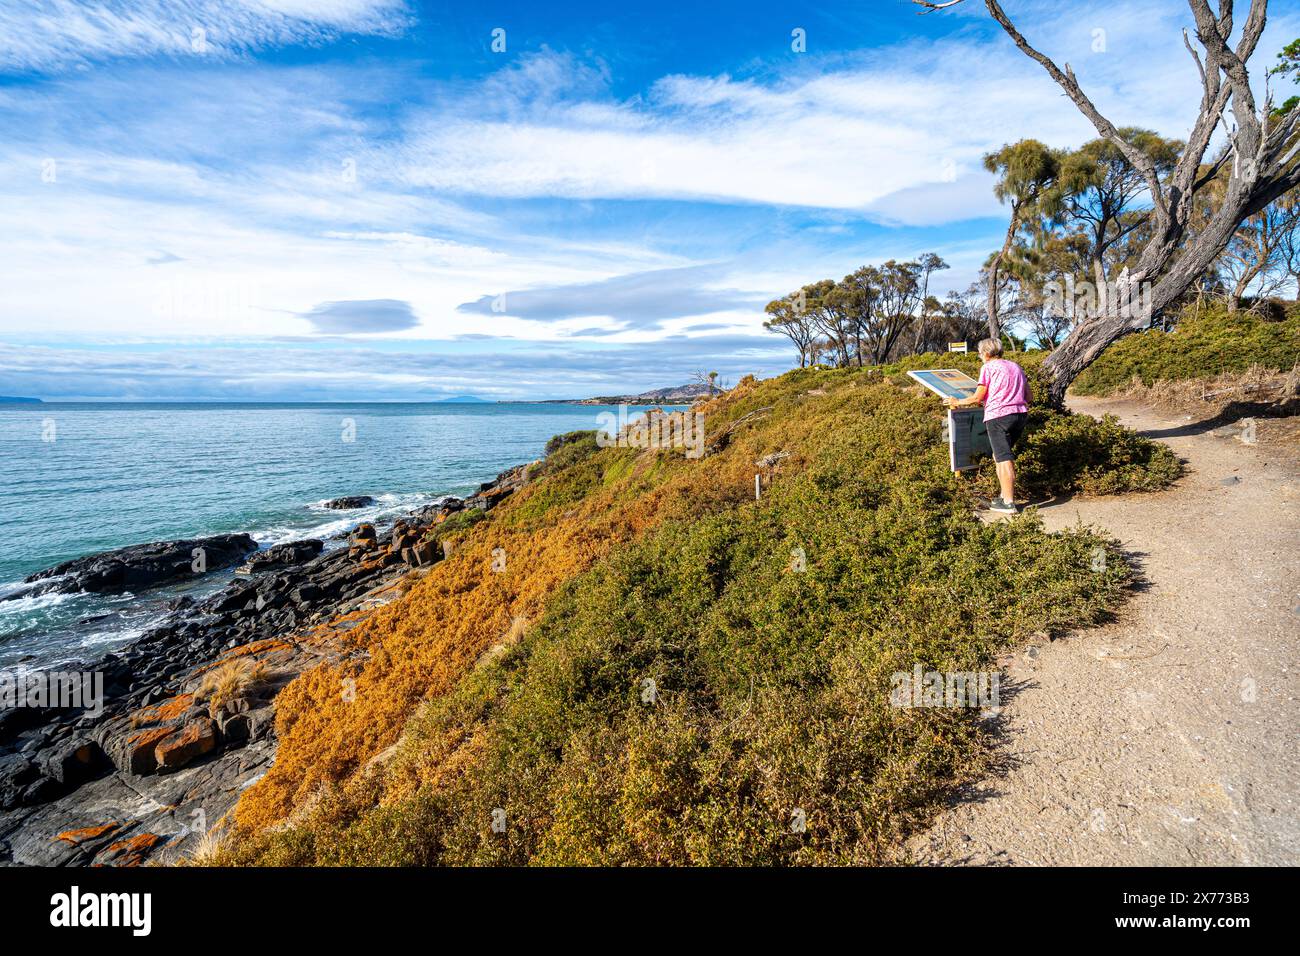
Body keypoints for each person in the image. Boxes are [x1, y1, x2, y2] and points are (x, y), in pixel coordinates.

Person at [946, 338, 1029, 514]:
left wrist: (957, 401)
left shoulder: (988, 368)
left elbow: (978, 397)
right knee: (999, 455)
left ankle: (1008, 503)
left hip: (998, 416)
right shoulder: (1016, 367)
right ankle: (1003, 495)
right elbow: (1029, 396)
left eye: (979, 353)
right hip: (1020, 414)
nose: (979, 357)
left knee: (1004, 457)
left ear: (986, 353)